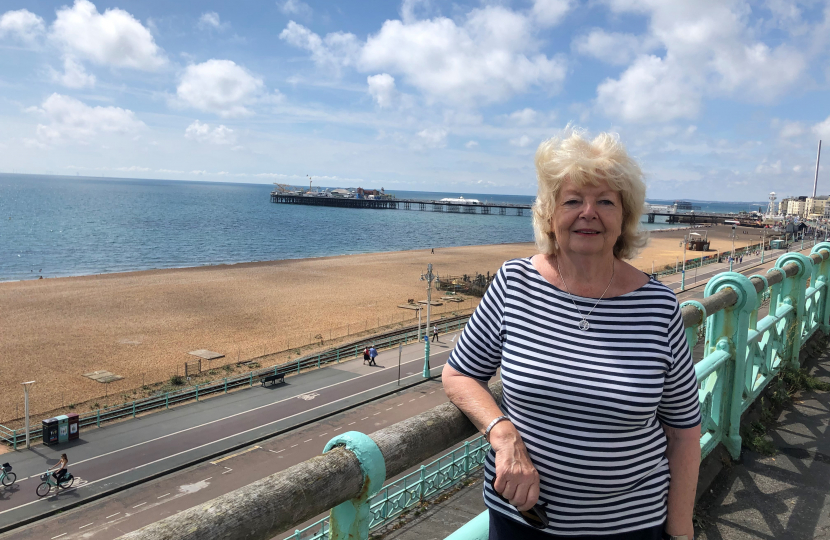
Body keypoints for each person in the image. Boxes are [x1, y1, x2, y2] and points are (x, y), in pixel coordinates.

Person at [443, 129, 701, 540]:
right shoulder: (515, 283)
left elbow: (684, 430)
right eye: (573, 200)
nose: (588, 212)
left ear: (624, 218)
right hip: (522, 521)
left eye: (605, 201)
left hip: (630, 526)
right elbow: (458, 374)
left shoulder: (658, 307)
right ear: (549, 215)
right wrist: (502, 433)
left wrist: (681, 530)